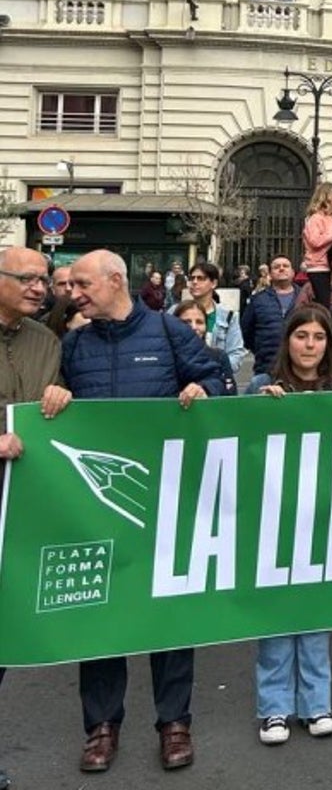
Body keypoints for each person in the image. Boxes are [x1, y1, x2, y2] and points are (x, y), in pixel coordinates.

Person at [59, 250, 225, 772]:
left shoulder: (169, 333)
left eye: (83, 284)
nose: (73, 292)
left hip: (165, 502)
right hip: (98, 507)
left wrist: (205, 389)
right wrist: (55, 395)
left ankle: (174, 724)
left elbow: (220, 383)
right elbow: (56, 405)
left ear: (114, 281)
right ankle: (101, 727)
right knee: (102, 617)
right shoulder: (74, 344)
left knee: (169, 618)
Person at [248, 305, 332, 744]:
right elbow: (236, 439)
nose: (310, 346)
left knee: (317, 614)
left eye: (318, 338)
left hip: (325, 521)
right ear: (288, 341)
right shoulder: (263, 385)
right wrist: (257, 409)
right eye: (302, 337)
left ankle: (317, 703)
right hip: (276, 521)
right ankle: (274, 708)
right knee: (278, 616)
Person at [0, 248, 76, 790]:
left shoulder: (47, 342)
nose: (40, 287)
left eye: (44, 279)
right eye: (27, 278)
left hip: (21, 512)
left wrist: (63, 396)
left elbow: (55, 421)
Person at [174, 261, 246, 374]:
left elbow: (236, 355)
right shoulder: (174, 312)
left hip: (216, 380)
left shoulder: (228, 316)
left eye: (201, 278)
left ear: (214, 283)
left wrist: (212, 371)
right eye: (192, 278)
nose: (195, 282)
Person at [241, 255, 300, 391]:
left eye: (285, 266)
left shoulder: (304, 297)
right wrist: (261, 349)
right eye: (276, 267)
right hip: (266, 368)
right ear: (270, 273)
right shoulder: (257, 300)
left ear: (293, 272)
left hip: (298, 371)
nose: (281, 269)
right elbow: (246, 332)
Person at [172, 301, 238, 396]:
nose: (194, 327)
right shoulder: (166, 357)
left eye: (199, 322)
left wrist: (206, 389)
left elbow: (230, 394)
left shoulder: (219, 356)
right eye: (186, 322)